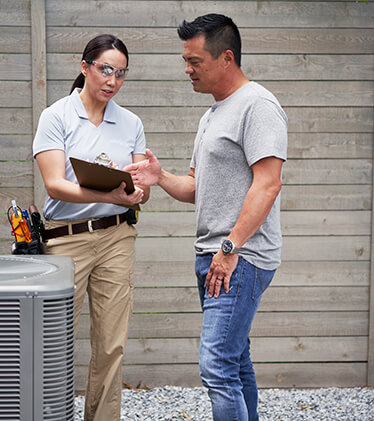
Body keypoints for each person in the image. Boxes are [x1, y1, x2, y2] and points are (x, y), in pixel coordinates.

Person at [124, 14, 288, 421]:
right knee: (235, 361)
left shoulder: (258, 106)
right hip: (214, 256)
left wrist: (230, 248)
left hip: (238, 258)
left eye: (194, 61)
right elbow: (196, 188)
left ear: (226, 58)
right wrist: (159, 177)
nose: (187, 70)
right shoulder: (212, 115)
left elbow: (268, 185)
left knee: (216, 366)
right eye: (186, 60)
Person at [32, 34, 150, 421]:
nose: (112, 80)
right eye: (105, 69)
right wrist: (112, 194)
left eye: (121, 73)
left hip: (118, 236)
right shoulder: (57, 116)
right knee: (54, 342)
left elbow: (140, 188)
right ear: (85, 68)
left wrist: (136, 194)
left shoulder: (130, 122)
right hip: (66, 240)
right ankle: (49, 414)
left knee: (111, 344)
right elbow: (54, 184)